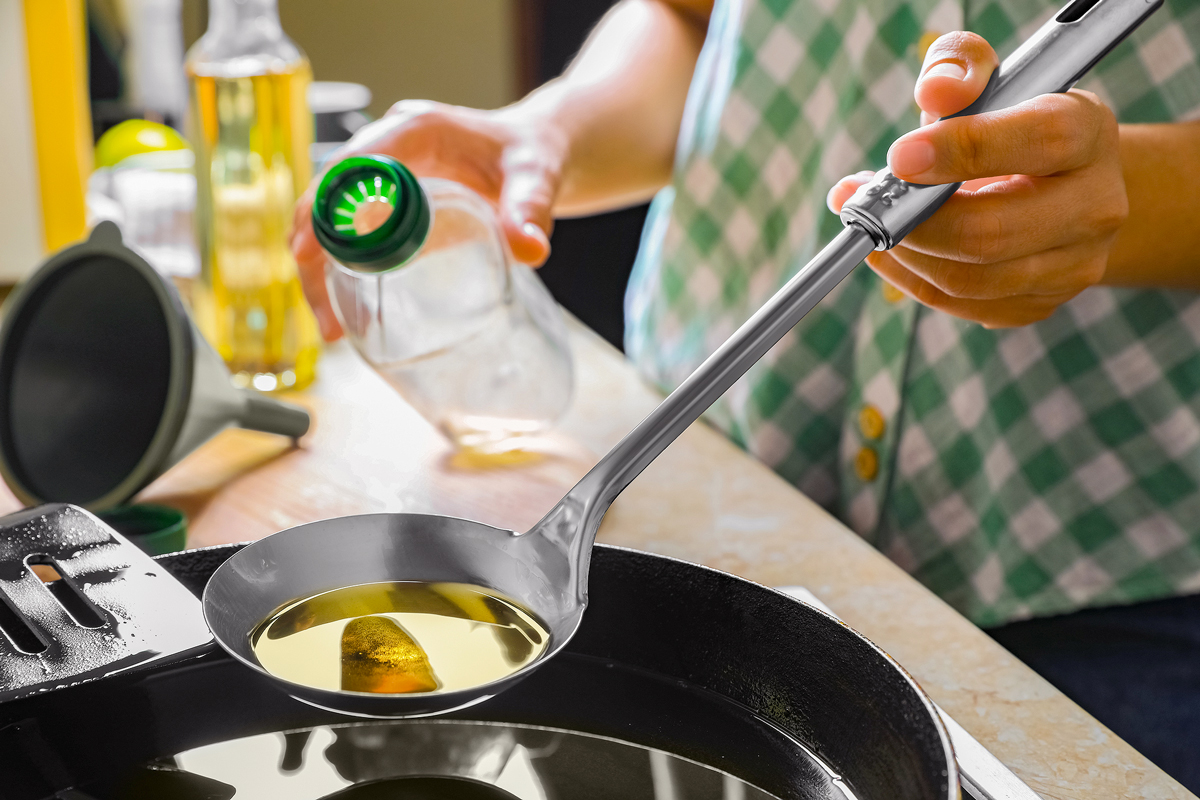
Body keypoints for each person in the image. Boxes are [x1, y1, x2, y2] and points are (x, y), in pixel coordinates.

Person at [291, 0, 1200, 787]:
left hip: (1095, 566)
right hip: (717, 480)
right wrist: (552, 128)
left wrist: (1125, 199)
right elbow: (689, 19)